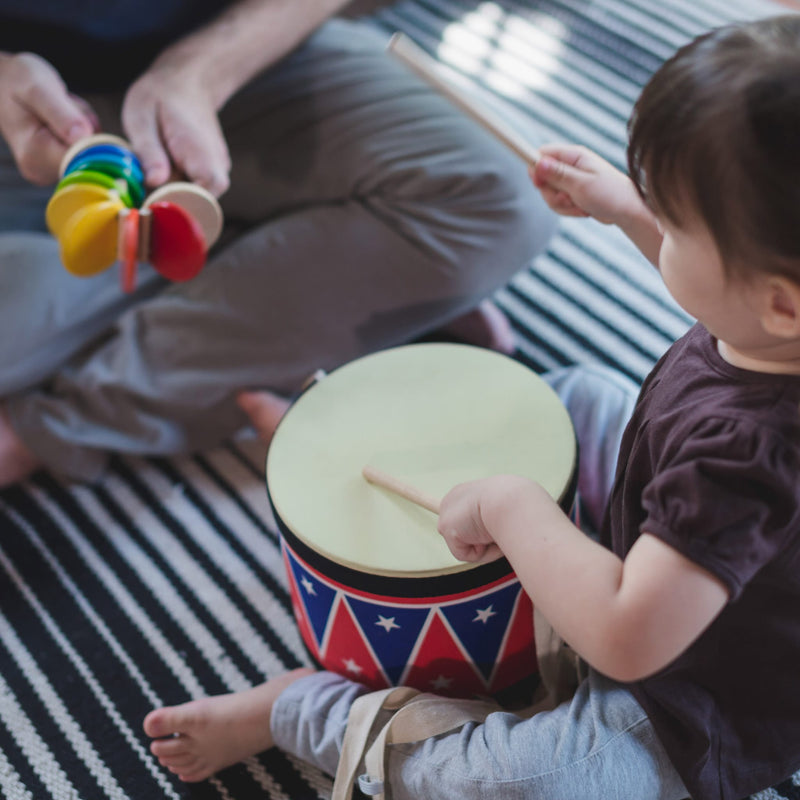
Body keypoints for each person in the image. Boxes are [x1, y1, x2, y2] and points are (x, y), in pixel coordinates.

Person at [142, 15, 800, 800]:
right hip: (686, 525)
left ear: (780, 304)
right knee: (582, 398)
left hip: (689, 699)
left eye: (678, 227)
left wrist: (511, 503)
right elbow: (726, 292)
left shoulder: (747, 457)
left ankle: (299, 712)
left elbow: (627, 639)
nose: (662, 230)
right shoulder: (770, 322)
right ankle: (352, 443)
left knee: (531, 784)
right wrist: (626, 209)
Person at [0, 0, 555, 487]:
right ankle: (300, 259)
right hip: (27, 113)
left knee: (501, 197)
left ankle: (67, 416)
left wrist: (199, 72)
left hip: (242, 54)